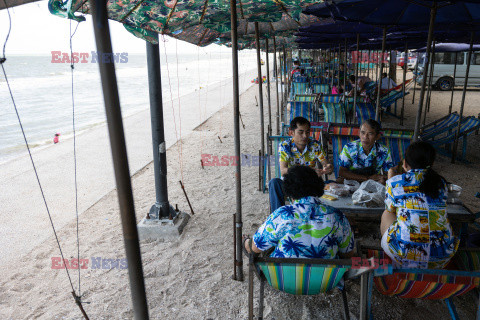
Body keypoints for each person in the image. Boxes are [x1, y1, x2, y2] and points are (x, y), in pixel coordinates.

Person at [244, 166, 355, 259]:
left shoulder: (282, 214)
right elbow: (348, 253)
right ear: (319, 186)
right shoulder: (337, 216)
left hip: (283, 279)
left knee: (263, 245)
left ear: (288, 190)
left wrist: (245, 242)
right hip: (326, 281)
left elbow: (254, 248)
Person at [380, 141, 458, 269]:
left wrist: (390, 178)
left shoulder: (395, 182)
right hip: (443, 257)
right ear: (431, 164)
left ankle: (394, 263)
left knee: (387, 213)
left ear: (405, 163)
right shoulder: (441, 183)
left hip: (405, 255)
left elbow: (390, 208)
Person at [268, 117, 333, 213]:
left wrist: (328, 167)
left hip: (310, 185)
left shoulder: (315, 145)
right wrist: (309, 172)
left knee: (332, 184)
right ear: (292, 133)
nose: (305, 136)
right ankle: (278, 214)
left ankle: (322, 214)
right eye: (300, 132)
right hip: (291, 184)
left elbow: (326, 164)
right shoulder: (285, 146)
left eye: (307, 132)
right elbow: (283, 170)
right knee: (274, 183)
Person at [338, 119, 394, 184]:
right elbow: (342, 172)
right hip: (351, 182)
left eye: (370, 134)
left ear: (377, 136)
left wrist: (384, 178)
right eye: (363, 133)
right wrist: (367, 178)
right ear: (359, 133)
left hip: (372, 184)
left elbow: (389, 172)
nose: (365, 137)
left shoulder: (384, 151)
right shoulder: (349, 148)